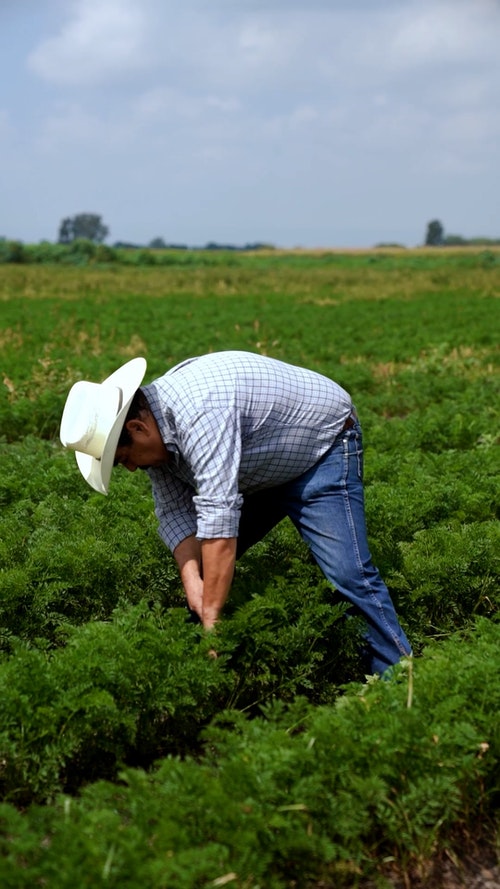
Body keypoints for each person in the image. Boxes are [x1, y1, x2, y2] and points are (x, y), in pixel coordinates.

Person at [60, 351, 411, 674]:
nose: (133, 469)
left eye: (124, 460)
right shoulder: (152, 428)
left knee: (349, 574)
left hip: (321, 448)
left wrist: (212, 613)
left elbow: (219, 518)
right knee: (204, 578)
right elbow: (174, 515)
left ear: (137, 429)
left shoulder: (200, 412)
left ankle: (398, 680)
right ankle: (200, 663)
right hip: (259, 463)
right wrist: (193, 582)